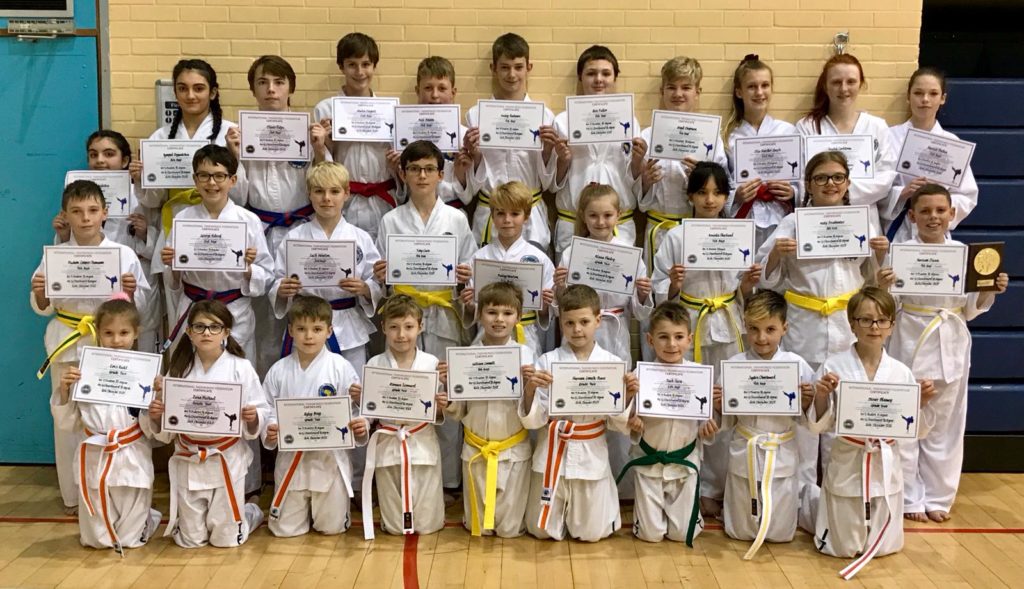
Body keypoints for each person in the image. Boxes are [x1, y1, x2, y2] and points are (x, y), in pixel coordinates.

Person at [756, 150, 888, 496]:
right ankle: (800, 494)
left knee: (843, 406)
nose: (830, 184)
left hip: (848, 326)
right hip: (804, 322)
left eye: (837, 178)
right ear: (808, 185)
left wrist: (882, 253)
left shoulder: (864, 222)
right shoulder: (792, 223)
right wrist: (776, 254)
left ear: (847, 184)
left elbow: (874, 280)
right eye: (821, 178)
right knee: (805, 406)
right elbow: (766, 280)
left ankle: (838, 491)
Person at [877, 184, 1008, 523]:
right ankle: (908, 496)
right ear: (912, 216)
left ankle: (938, 497)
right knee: (907, 422)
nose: (933, 217)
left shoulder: (967, 254)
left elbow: (971, 309)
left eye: (940, 211)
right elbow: (887, 306)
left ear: (952, 214)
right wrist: (883, 285)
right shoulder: (898, 252)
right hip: (908, 338)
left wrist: (987, 290)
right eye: (925, 211)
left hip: (949, 340)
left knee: (946, 427)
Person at [32, 179, 151, 515]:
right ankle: (74, 496)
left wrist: (131, 290)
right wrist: (41, 291)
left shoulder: (123, 253)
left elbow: (142, 307)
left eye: (92, 211)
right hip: (68, 340)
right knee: (67, 417)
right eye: (77, 211)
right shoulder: (54, 255)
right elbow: (41, 304)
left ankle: (114, 486)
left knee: (111, 417)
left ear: (105, 213)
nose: (85, 218)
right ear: (65, 216)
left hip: (112, 344)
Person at [801, 287, 936, 579]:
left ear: (892, 325)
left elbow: (913, 429)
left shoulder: (901, 372)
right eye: (865, 320)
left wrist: (921, 402)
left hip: (883, 458)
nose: (874, 327)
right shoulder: (833, 366)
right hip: (848, 455)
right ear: (851, 324)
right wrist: (821, 394)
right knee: (840, 545)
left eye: (881, 320)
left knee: (886, 545)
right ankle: (811, 513)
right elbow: (816, 425)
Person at [650, 161, 761, 517]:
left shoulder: (739, 233)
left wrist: (747, 282)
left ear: (727, 196)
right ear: (690, 197)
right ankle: (696, 482)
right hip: (689, 327)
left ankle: (727, 484)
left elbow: (744, 288)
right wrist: (674, 284)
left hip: (728, 323)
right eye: (701, 192)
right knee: (691, 406)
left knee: (724, 405)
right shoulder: (676, 236)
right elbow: (657, 289)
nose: (709, 200)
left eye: (716, 193)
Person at [374, 140, 478, 496]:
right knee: (404, 394)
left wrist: (466, 279)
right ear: (402, 173)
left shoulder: (456, 219)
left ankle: (448, 480)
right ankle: (406, 475)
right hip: (405, 320)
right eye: (414, 169)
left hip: (445, 316)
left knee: (444, 397)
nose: (422, 175)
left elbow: (471, 270)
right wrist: (382, 274)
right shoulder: (390, 220)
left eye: (429, 169)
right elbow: (383, 280)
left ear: (441, 174)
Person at [226, 55, 329, 375]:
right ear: (253, 90)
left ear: (290, 89)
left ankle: (304, 385)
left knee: (300, 313)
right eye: (262, 82)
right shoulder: (238, 132)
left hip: (299, 230)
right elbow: (239, 197)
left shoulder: (306, 130)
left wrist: (320, 150)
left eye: (279, 82)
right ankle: (268, 389)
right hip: (260, 230)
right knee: (263, 318)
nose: (271, 90)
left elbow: (324, 184)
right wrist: (234, 155)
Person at [146, 300, 270, 548]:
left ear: (226, 332)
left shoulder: (241, 368)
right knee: (191, 541)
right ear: (189, 333)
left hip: (227, 458)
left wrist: (253, 417)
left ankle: (250, 513)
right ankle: (198, 522)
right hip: (189, 458)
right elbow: (166, 428)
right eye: (199, 327)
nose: (206, 333)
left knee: (226, 540)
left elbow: (262, 409)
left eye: (214, 327)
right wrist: (156, 413)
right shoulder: (178, 370)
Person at [521, 285, 636, 542]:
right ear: (561, 323)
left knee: (591, 533)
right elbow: (536, 419)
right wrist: (529, 390)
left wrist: (628, 395)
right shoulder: (547, 361)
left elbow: (618, 423)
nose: (577, 329)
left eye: (584, 322)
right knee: (541, 531)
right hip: (552, 449)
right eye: (569, 323)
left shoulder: (612, 364)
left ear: (598, 320)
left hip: (590, 451)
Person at [51, 296, 161, 552]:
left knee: (129, 540)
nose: (116, 340)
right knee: (96, 541)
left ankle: (146, 518)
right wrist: (66, 390)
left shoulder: (147, 373)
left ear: (136, 334)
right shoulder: (84, 370)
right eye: (108, 333)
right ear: (97, 333)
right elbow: (69, 422)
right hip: (96, 455)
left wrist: (158, 400)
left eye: (124, 333)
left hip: (131, 455)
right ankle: (140, 519)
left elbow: (154, 428)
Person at [154, 145, 274, 362]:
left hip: (235, 311)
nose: (211, 183)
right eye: (204, 176)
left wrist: (247, 268)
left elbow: (266, 275)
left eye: (219, 176)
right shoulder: (183, 219)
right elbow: (173, 283)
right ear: (195, 179)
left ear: (233, 180)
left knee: (236, 373)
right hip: (194, 307)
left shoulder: (248, 220)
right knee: (193, 372)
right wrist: (171, 264)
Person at [263, 295, 369, 537]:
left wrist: (360, 423)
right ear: (290, 331)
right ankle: (254, 512)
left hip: (329, 461)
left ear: (330, 331)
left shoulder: (341, 367)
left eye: (317, 329)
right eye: (301, 329)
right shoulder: (278, 371)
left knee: (331, 529)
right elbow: (267, 407)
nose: (308, 336)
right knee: (284, 531)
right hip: (292, 461)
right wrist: (271, 426)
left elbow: (355, 412)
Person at [719, 290, 814, 559]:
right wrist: (719, 404)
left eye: (770, 329)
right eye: (754, 329)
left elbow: (808, 421)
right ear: (744, 327)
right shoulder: (734, 365)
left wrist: (807, 401)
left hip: (781, 449)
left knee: (780, 532)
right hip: (745, 446)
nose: (762, 338)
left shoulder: (797, 365)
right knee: (739, 529)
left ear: (785, 328)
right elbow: (725, 422)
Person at [616, 302, 720, 545]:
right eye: (663, 337)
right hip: (648, 462)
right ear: (650, 340)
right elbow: (627, 417)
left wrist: (708, 428)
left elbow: (707, 421)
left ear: (689, 339)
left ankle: (687, 517)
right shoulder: (640, 375)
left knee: (681, 535)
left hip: (684, 464)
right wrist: (632, 419)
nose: (671, 344)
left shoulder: (699, 375)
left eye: (678, 337)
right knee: (650, 535)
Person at [269, 161, 382, 376]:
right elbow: (277, 280)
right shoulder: (295, 238)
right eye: (319, 191)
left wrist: (365, 289)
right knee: (305, 389)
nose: (326, 198)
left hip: (348, 326)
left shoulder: (360, 238)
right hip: (306, 325)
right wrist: (282, 290)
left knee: (350, 389)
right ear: (309, 194)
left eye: (334, 191)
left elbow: (374, 280)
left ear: (347, 194)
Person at [54, 130, 162, 354]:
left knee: (135, 353)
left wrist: (144, 234)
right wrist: (64, 235)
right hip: (89, 286)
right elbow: (67, 256)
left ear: (124, 160)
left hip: (130, 282)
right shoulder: (78, 194)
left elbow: (162, 249)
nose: (100, 160)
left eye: (109, 154)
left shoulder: (141, 194)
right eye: (93, 155)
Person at [354, 295, 449, 538]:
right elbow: (369, 412)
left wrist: (442, 405)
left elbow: (440, 411)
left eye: (408, 327)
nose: (401, 335)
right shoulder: (375, 363)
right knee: (395, 526)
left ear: (421, 326)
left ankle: (427, 519)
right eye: (394, 327)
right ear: (383, 328)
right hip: (388, 444)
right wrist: (360, 405)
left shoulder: (432, 364)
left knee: (428, 522)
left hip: (422, 440)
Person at [445, 282, 536, 537]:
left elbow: (534, 414)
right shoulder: (466, 356)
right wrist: (448, 385)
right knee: (478, 526)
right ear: (479, 315)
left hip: (514, 449)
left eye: (507, 313)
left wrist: (530, 387)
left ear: (518, 317)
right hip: (476, 448)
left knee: (510, 529)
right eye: (492, 312)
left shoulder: (526, 356)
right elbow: (458, 412)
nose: (499, 319)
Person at [638, 56, 730, 271]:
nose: (678, 94)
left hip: (698, 227)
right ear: (662, 91)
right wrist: (645, 182)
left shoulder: (711, 137)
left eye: (686, 87)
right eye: (671, 87)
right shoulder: (648, 135)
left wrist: (701, 179)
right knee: (660, 292)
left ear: (697, 92)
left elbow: (723, 189)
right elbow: (639, 199)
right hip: (658, 226)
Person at [465, 33, 556, 251]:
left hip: (530, 216)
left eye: (518, 67)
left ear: (529, 68)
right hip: (490, 212)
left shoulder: (544, 116)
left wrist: (548, 151)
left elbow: (548, 182)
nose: (512, 74)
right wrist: (474, 154)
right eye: (505, 67)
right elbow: (472, 180)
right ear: (493, 68)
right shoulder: (475, 115)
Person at [550, 45, 642, 258]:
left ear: (615, 78)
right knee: (572, 290)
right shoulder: (563, 121)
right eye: (591, 73)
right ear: (580, 78)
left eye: (605, 73)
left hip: (617, 224)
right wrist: (563, 160)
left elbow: (633, 176)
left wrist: (638, 161)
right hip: (573, 221)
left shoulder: (628, 121)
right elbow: (552, 182)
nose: (598, 79)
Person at [313, 32, 399, 242]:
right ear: (341, 67)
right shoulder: (326, 109)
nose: (360, 72)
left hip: (383, 200)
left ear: (374, 66)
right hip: (344, 202)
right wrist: (325, 145)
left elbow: (399, 160)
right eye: (352, 64)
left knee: (381, 264)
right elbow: (320, 169)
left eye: (366, 64)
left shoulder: (391, 109)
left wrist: (397, 161)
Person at [795, 54, 896, 227]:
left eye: (851, 82)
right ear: (825, 86)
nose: (843, 88)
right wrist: (838, 188)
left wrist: (833, 189)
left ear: (861, 84)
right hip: (819, 219)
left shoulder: (877, 127)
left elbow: (884, 179)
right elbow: (802, 177)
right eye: (836, 82)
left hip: (864, 219)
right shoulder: (808, 127)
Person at [882, 67, 979, 244]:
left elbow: (968, 196)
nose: (925, 100)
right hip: (899, 229)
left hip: (936, 234)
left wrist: (938, 201)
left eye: (933, 93)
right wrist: (902, 193)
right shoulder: (888, 137)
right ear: (908, 96)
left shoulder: (952, 143)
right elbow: (878, 189)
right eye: (918, 93)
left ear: (942, 99)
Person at [463, 181, 555, 356]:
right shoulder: (479, 257)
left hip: (526, 334)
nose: (507, 220)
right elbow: (473, 310)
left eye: (515, 214)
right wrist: (468, 305)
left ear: (526, 216)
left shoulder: (539, 258)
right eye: (500, 213)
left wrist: (544, 305)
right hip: (488, 333)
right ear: (492, 215)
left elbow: (546, 315)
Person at [724, 56, 798, 250]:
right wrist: (736, 196)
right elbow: (721, 184)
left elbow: (804, 178)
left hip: (781, 216)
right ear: (739, 92)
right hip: (744, 216)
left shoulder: (788, 132)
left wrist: (793, 193)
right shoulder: (728, 137)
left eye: (765, 85)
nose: (759, 92)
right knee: (746, 274)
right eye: (751, 86)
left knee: (778, 274)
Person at [411, 56, 476, 212]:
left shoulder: (464, 137)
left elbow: (468, 196)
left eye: (442, 88)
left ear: (453, 92)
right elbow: (402, 189)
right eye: (428, 88)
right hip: (414, 212)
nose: (434, 95)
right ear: (417, 91)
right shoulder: (406, 134)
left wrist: (460, 175)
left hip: (453, 213)